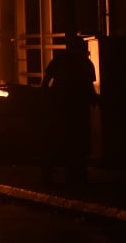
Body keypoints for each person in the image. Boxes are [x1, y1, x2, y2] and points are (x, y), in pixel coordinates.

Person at [41, 34, 99, 187]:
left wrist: (45, 98)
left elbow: (46, 80)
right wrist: (94, 100)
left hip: (61, 105)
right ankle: (77, 176)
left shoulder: (60, 60)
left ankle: (48, 175)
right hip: (77, 107)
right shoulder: (85, 63)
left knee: (59, 139)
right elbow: (89, 85)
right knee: (78, 142)